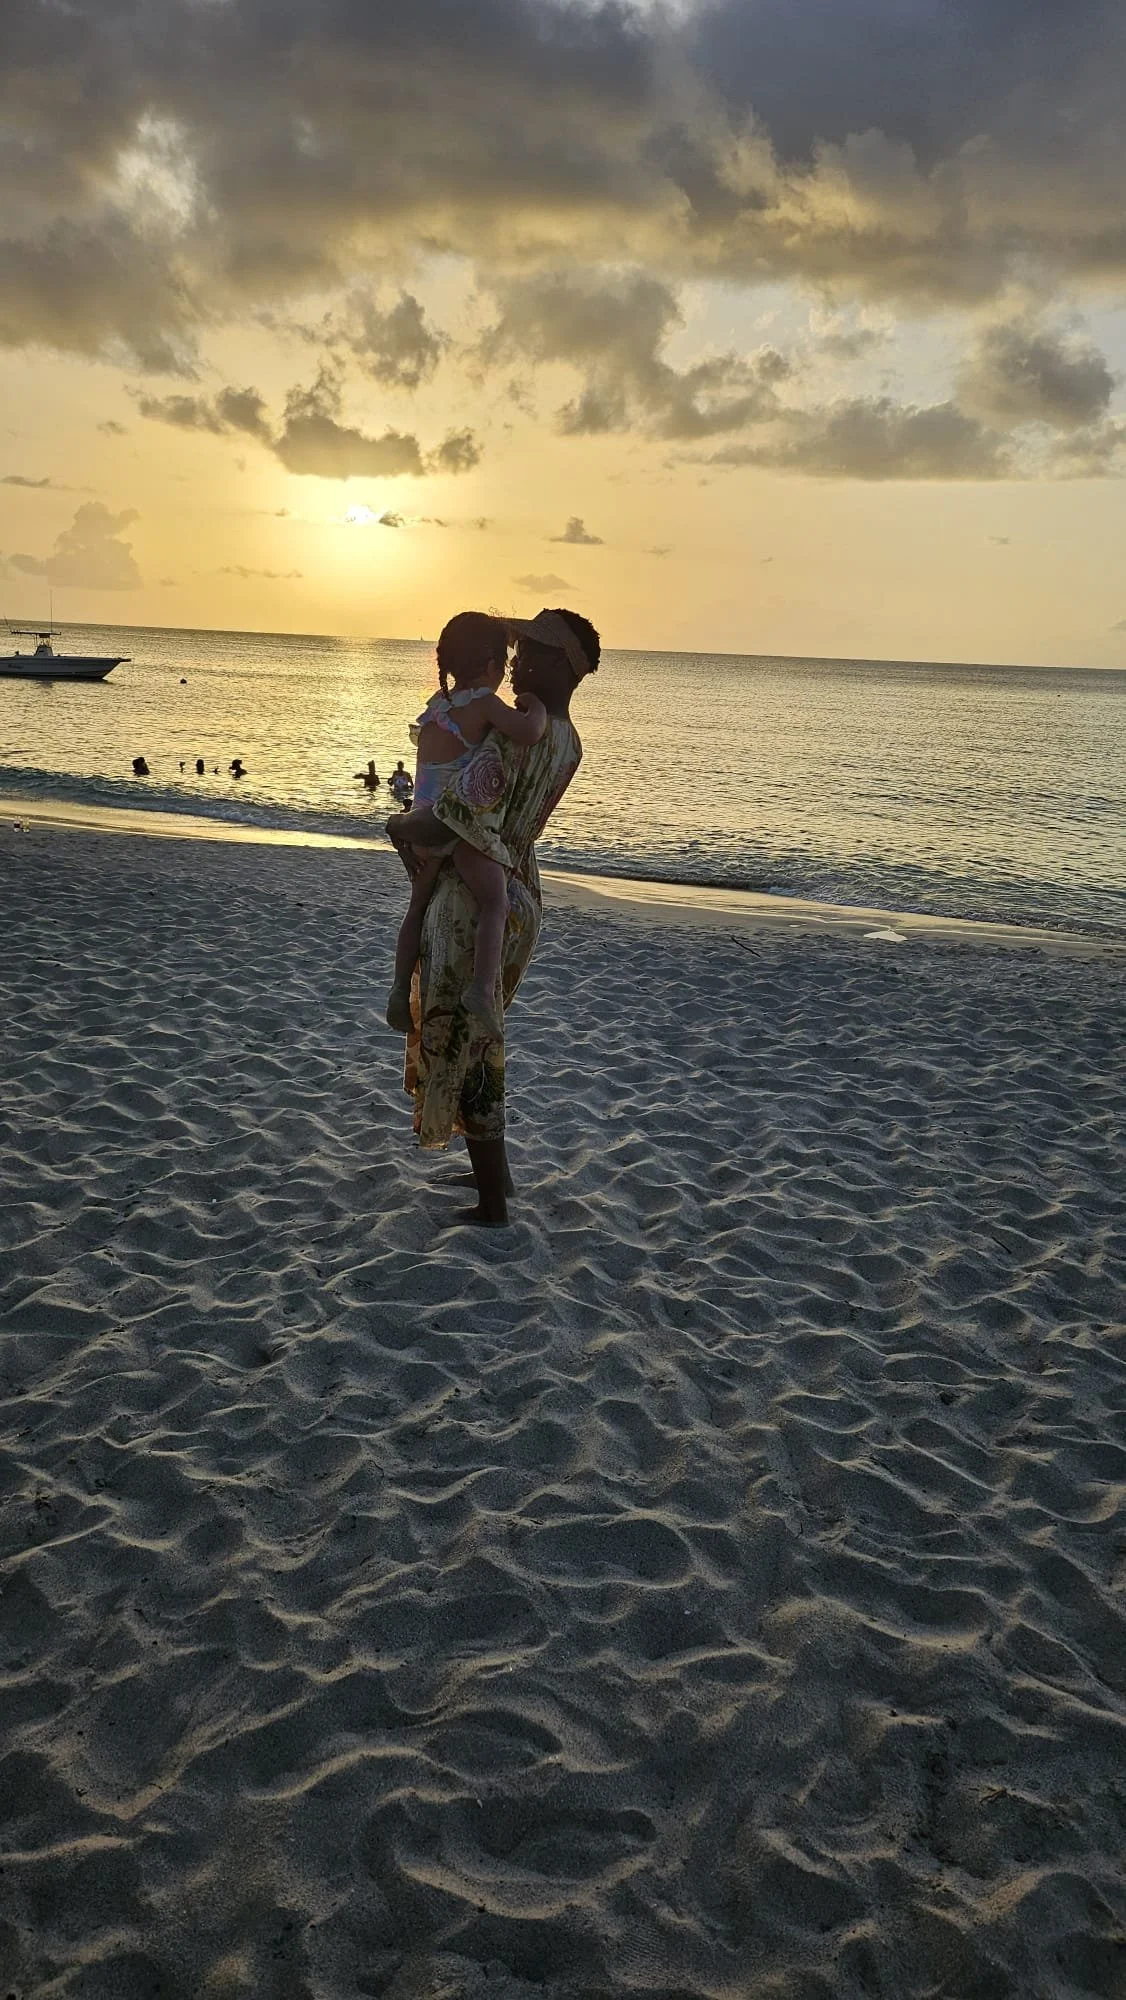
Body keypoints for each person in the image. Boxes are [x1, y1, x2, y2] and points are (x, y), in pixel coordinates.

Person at [394, 606, 599, 1226]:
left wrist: (399, 823)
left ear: (564, 668)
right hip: (520, 895)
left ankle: (490, 1203)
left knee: (472, 1043)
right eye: (519, 651)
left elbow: (452, 813)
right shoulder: (569, 739)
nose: (519, 664)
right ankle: (497, 1177)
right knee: (483, 1032)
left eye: (534, 654)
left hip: (473, 900)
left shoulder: (511, 736)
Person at [385, 611, 547, 1038]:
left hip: (420, 825)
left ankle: (400, 991)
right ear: (493, 665)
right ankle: (480, 989)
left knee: (416, 908)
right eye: (507, 665)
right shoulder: (484, 703)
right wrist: (537, 707)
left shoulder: (437, 707)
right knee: (496, 903)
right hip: (453, 827)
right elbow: (528, 732)